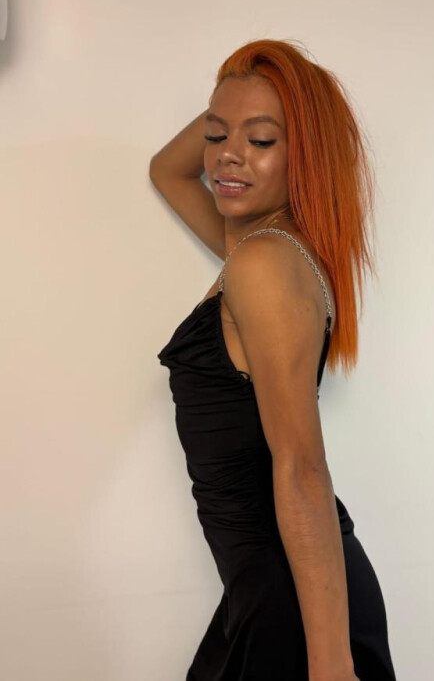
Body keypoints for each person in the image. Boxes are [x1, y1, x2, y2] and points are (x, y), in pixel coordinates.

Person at [152, 38, 396, 681]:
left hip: (295, 608)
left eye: (261, 140)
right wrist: (245, 92)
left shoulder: (262, 264)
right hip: (266, 594)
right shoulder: (260, 248)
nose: (226, 155)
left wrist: (331, 664)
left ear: (304, 153)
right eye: (216, 134)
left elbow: (301, 469)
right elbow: (167, 169)